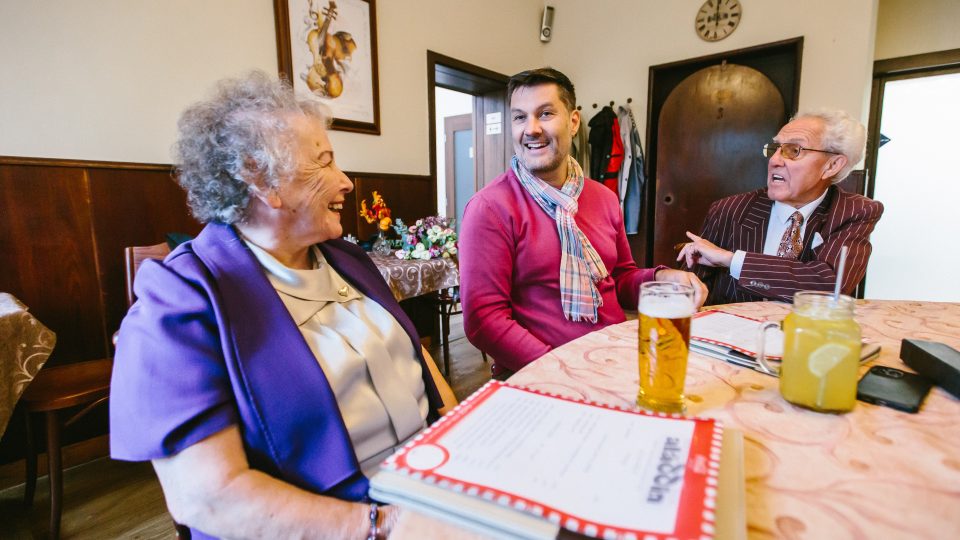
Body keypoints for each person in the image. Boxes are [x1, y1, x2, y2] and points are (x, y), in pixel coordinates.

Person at [109, 71, 456, 540]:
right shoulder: (179, 298)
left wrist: (462, 450)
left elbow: (417, 359)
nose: (347, 182)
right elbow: (207, 497)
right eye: (324, 163)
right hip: (346, 525)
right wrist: (385, 526)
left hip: (432, 489)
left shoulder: (346, 257)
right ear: (261, 178)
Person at [459, 68, 706, 378]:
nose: (531, 129)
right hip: (544, 377)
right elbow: (484, 320)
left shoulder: (603, 198)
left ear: (573, 121)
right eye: (520, 117)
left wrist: (665, 279)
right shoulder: (489, 209)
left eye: (545, 113)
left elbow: (619, 279)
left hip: (616, 358)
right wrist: (564, 369)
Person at [677, 109, 884, 305]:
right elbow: (687, 290)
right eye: (776, 149)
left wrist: (731, 260)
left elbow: (828, 286)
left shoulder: (854, 212)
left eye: (793, 150)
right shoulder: (729, 209)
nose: (775, 160)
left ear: (832, 165)